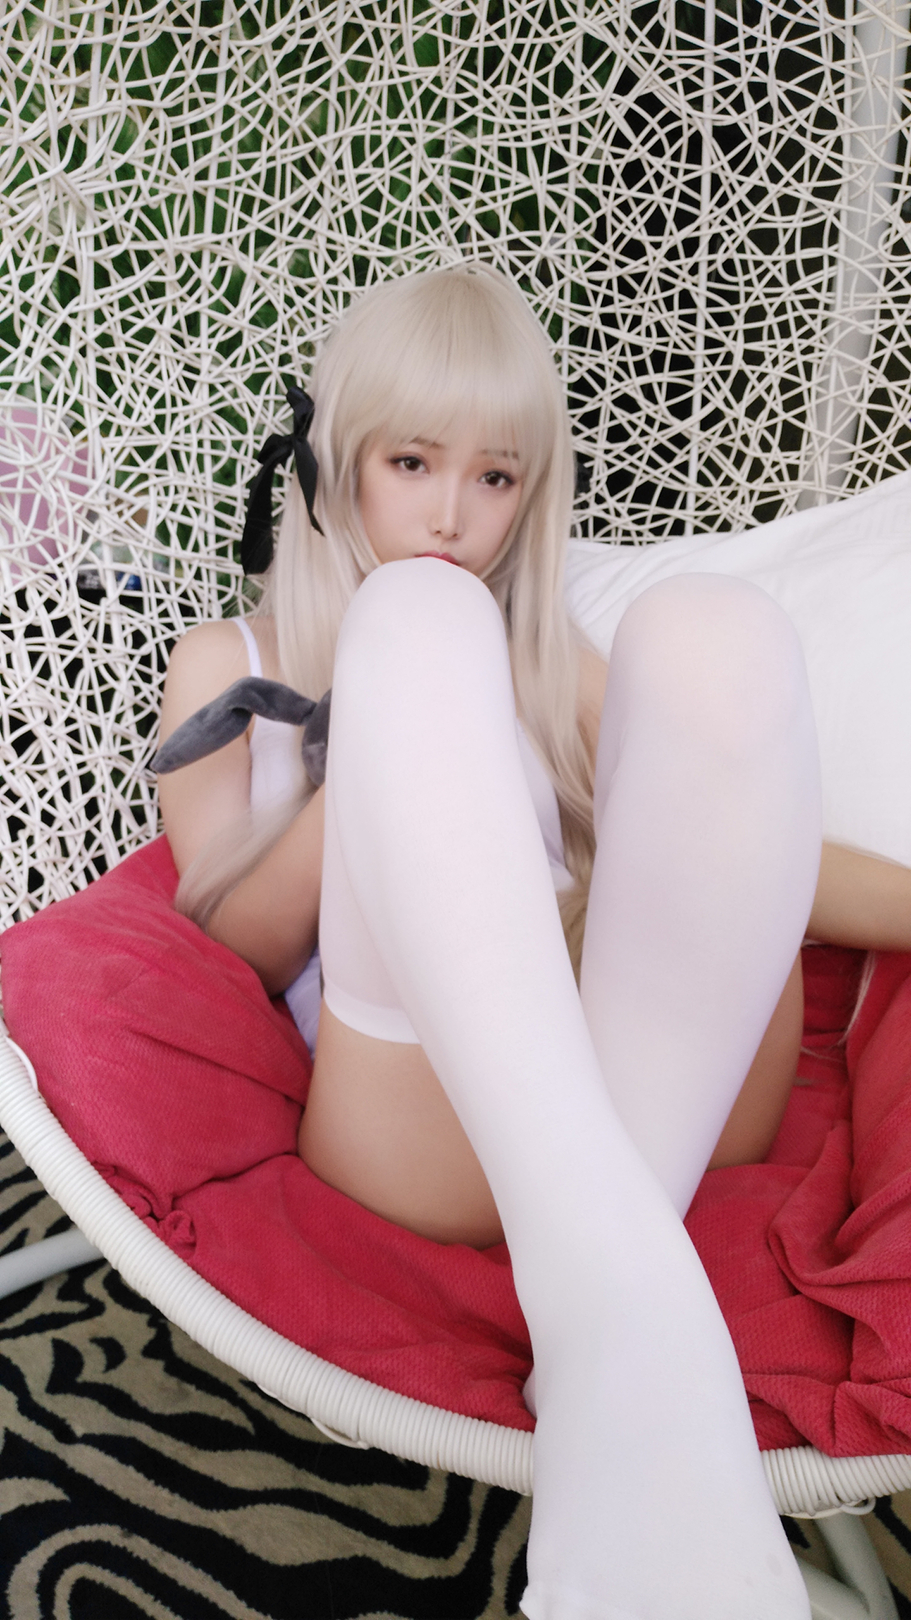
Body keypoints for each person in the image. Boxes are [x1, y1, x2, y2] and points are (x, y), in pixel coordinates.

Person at [156, 264, 911, 1619]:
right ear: (334, 458)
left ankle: (605, 1318)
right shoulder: (232, 659)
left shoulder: (541, 647)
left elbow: (746, 847)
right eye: (411, 463)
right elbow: (230, 946)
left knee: (721, 633)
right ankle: (622, 1303)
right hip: (423, 1119)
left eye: (496, 477)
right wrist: (382, 723)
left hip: (654, 1098)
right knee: (418, 621)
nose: (452, 514)